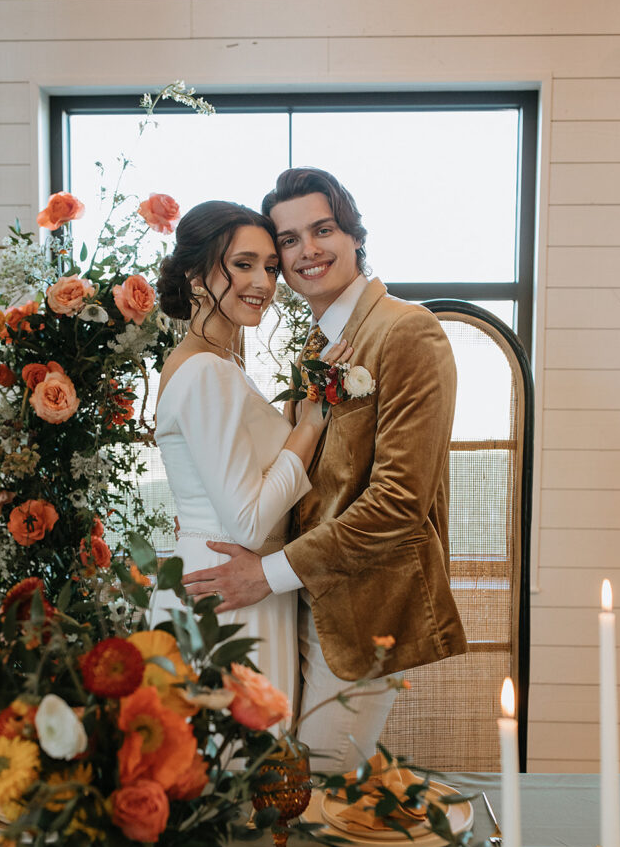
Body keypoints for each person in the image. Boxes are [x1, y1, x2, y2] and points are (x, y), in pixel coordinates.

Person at [182, 169, 468, 771]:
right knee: (284, 787)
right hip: (299, 606)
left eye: (323, 229)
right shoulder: (315, 349)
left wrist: (269, 573)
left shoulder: (409, 331)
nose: (307, 250)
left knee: (323, 790)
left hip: (362, 610)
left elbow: (398, 503)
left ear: (355, 236)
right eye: (288, 240)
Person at [150, 200, 352, 712]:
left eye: (268, 266)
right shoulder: (205, 372)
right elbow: (247, 521)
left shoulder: (220, 362)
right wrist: (309, 423)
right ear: (197, 275)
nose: (262, 281)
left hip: (236, 581)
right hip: (227, 589)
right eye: (243, 264)